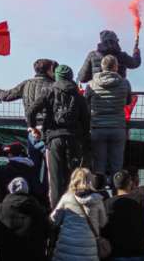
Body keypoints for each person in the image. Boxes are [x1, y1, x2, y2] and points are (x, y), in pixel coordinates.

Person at [26, 64, 91, 208]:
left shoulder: (49, 92)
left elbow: (31, 110)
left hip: (53, 139)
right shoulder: (78, 96)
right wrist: (84, 141)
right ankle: (72, 208)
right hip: (74, 139)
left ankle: (56, 213)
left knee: (54, 180)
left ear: (57, 76)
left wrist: (32, 128)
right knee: (71, 178)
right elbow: (86, 121)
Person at [0, 58, 56, 183]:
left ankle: (34, 192)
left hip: (32, 130)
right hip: (49, 130)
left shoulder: (26, 84)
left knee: (33, 166)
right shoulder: (53, 86)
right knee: (50, 169)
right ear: (50, 69)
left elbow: (8, 95)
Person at [86, 55, 132, 180]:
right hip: (117, 128)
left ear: (102, 67)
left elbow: (86, 102)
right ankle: (116, 193)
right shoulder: (124, 83)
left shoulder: (91, 84)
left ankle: (100, 193)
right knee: (116, 167)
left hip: (97, 128)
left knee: (98, 166)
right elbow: (128, 101)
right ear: (116, 67)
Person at [49, 167, 107, 261]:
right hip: (88, 252)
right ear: (91, 181)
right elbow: (103, 222)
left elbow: (54, 219)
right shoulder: (97, 200)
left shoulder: (66, 198)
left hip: (65, 251)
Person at [0, 177, 49, 261]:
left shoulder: (0, 209)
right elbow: (47, 232)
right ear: (27, 190)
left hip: (6, 255)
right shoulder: (38, 210)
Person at [103, 169, 144, 261]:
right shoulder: (140, 199)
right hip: (139, 252)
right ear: (130, 183)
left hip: (116, 253)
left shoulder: (107, 203)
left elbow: (104, 227)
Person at [0, 141, 47, 206]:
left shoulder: (5, 169)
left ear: (10, 154)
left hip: (10, 205)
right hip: (31, 204)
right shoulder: (33, 168)